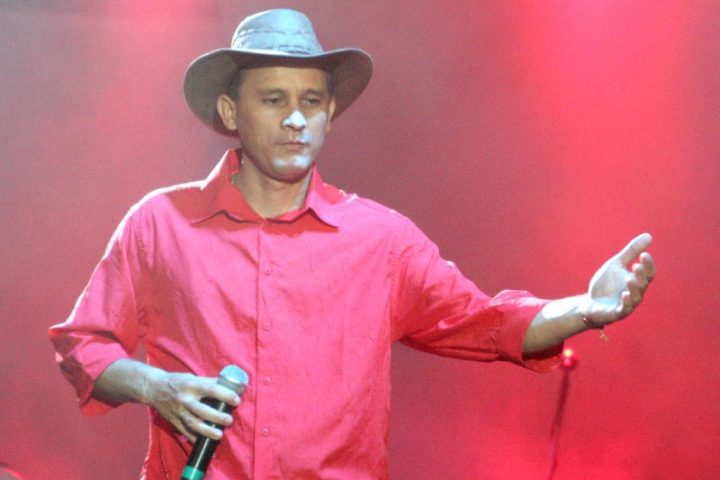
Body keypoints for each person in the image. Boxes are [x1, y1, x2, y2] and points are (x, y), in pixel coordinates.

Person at [48, 8, 656, 480]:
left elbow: (487, 323)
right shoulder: (160, 223)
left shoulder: (380, 240)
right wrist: (155, 387)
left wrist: (585, 308)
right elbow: (83, 344)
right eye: (274, 99)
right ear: (231, 111)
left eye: (311, 101)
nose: (296, 119)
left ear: (331, 112)